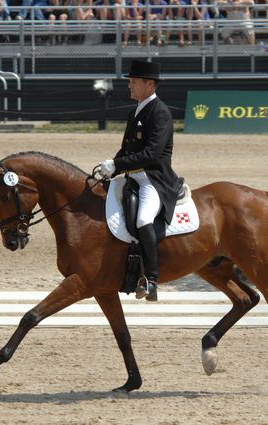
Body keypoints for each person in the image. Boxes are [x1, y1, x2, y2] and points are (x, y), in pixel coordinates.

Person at [98, 60, 180, 302]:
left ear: (149, 84)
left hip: (154, 179)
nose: (130, 87)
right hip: (133, 177)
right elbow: (126, 149)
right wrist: (110, 169)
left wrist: (118, 165)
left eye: (134, 82)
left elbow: (152, 154)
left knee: (144, 218)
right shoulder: (135, 111)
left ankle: (151, 280)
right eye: (130, 82)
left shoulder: (160, 112)